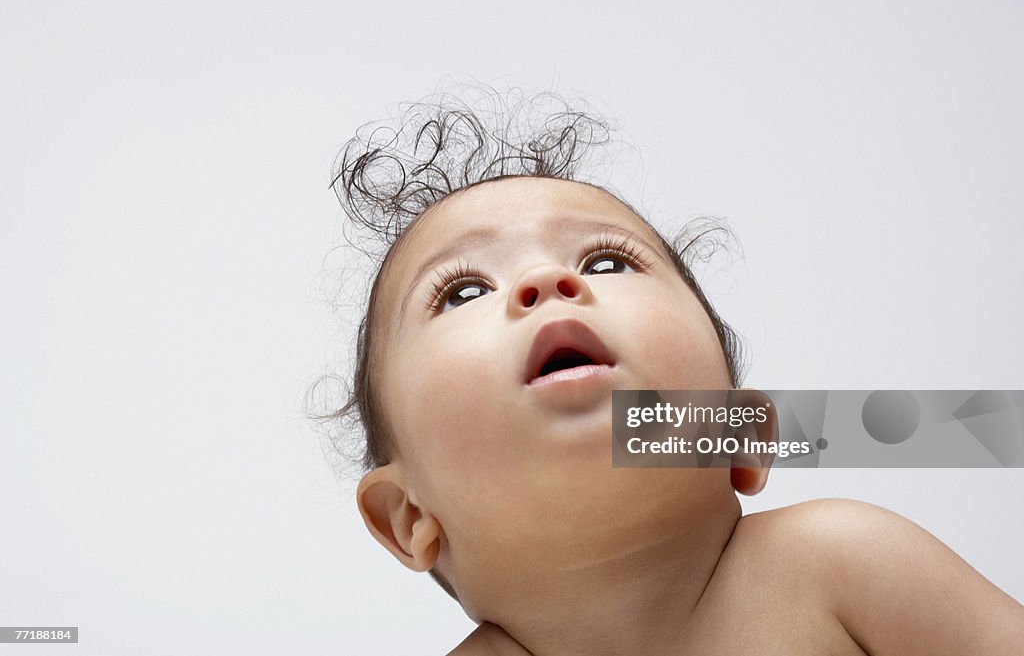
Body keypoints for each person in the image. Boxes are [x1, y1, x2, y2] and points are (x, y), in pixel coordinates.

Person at [320, 85, 1024, 655]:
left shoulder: (840, 562)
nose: (546, 280)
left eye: (606, 262)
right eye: (464, 290)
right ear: (410, 515)